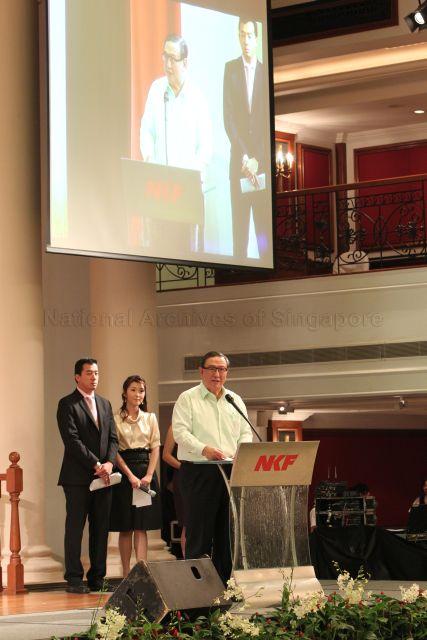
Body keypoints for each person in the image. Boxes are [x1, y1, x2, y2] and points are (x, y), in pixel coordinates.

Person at [172, 351, 253, 584]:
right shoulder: (188, 398)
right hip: (199, 471)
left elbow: (245, 431)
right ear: (201, 371)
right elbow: (180, 432)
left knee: (226, 535)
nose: (217, 374)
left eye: (222, 369)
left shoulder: (234, 400)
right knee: (199, 535)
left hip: (229, 471)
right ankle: (196, 591)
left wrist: (242, 450)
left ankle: (224, 587)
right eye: (212, 369)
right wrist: (204, 449)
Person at [57, 358, 118, 594]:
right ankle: (73, 579)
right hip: (77, 478)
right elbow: (72, 441)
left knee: (100, 528)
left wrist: (110, 464)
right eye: (89, 373)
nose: (94, 377)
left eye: (96, 373)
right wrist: (96, 464)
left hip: (104, 478)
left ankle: (97, 578)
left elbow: (113, 438)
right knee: (75, 528)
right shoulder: (67, 404)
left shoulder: (105, 404)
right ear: (77, 377)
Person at [223, 17, 269, 260]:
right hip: (239, 162)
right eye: (242, 35)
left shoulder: (264, 72)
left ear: (257, 37)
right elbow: (228, 118)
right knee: (239, 232)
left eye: (250, 35)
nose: (246, 40)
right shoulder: (230, 69)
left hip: (260, 165)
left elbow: (264, 123)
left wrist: (257, 160)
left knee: (263, 232)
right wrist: (244, 157)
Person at [110, 375, 161, 577]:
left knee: (142, 526)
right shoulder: (114, 418)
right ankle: (125, 573)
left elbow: (155, 448)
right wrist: (130, 476)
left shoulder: (151, 418)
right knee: (125, 526)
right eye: (133, 389)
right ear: (124, 393)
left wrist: (148, 475)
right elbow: (114, 452)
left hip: (145, 472)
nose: (138, 394)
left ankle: (141, 573)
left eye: (141, 390)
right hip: (124, 474)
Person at [140, 34, 212, 175]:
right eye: (166, 57)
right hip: (158, 180)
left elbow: (205, 148)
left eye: (173, 59)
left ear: (185, 63)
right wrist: (148, 158)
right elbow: (146, 129)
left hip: (186, 184)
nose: (167, 65)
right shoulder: (156, 89)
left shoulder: (197, 98)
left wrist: (193, 176)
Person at [162, 424, 186, 556]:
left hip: (203, 477)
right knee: (187, 523)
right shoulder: (174, 427)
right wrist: (184, 468)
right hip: (183, 477)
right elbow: (166, 455)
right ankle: (189, 563)